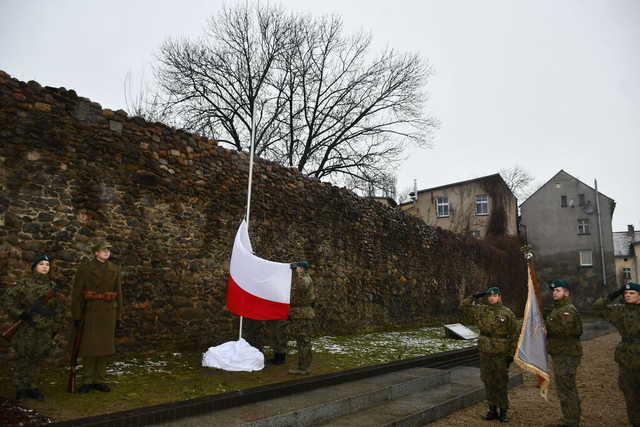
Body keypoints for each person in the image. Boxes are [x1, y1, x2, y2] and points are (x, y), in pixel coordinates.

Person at [2, 254, 66, 400]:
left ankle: (33, 386)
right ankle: (21, 387)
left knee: (38, 358)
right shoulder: (24, 283)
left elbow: (59, 308)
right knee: (22, 357)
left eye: (47, 265)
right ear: (35, 266)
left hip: (44, 328)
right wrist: (20, 314)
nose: (45, 267)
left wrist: (55, 326)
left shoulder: (52, 287)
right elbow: (7, 300)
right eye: (41, 264)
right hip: (26, 327)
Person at [71, 240, 123, 393]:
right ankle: (87, 380)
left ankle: (100, 379)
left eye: (108, 250)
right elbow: (77, 293)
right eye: (103, 250)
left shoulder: (115, 269)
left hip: (108, 312)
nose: (107, 252)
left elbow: (119, 293)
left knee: (104, 347)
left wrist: (119, 316)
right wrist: (77, 315)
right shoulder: (86, 269)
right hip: (91, 311)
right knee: (90, 347)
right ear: (96, 252)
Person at [460, 286, 518, 423]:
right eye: (489, 296)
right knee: (488, 380)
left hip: (500, 351)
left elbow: (514, 335)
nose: (492, 298)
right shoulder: (482, 310)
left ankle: (503, 411)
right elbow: (463, 307)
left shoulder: (507, 313)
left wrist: (511, 354)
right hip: (485, 351)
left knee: (501, 381)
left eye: (495, 295)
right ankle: (492, 409)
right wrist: (474, 296)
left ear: (499, 297)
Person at [592, 282, 640, 427]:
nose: (627, 295)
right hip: (626, 359)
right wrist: (614, 294)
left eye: (631, 293)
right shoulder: (620, 310)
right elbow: (597, 308)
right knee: (630, 395)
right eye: (625, 293)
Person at [545, 280, 582, 427]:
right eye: (553, 291)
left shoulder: (568, 310)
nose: (554, 293)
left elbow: (569, 331)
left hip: (567, 354)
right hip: (560, 353)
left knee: (567, 387)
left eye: (558, 290)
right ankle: (570, 418)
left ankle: (572, 421)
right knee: (564, 387)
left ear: (566, 293)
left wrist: (547, 329)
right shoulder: (556, 310)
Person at [287, 261, 315, 375]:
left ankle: (304, 368)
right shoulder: (302, 278)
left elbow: (301, 286)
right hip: (300, 314)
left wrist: (295, 273)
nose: (296, 269)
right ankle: (303, 366)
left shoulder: (305, 279)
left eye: (297, 267)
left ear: (302, 269)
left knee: (303, 341)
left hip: (303, 314)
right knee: (301, 341)